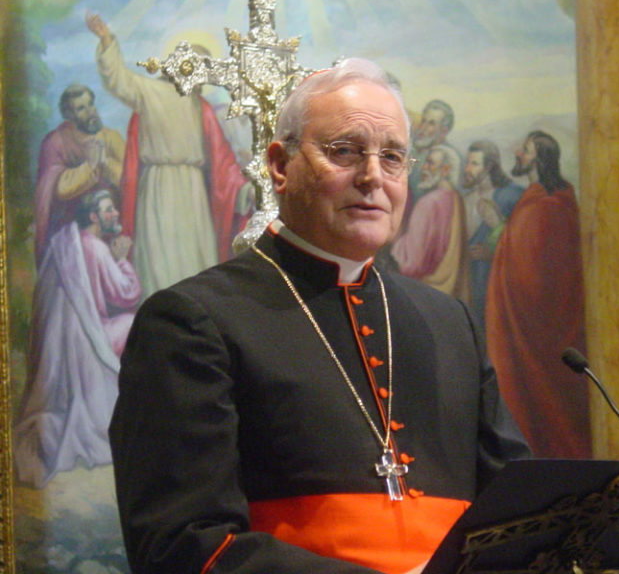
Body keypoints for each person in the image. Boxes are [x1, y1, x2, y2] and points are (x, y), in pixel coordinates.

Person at [110, 58, 531, 574]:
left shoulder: (450, 324)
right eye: (345, 152)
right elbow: (183, 546)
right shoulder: (192, 322)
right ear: (281, 166)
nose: (373, 176)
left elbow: (520, 514)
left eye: (393, 156)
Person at [86, 12, 255, 298]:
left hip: (193, 196)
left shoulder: (200, 108)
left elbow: (223, 163)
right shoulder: (150, 91)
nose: (200, 74)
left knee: (194, 263)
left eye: (204, 68)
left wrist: (248, 190)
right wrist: (106, 41)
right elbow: (118, 80)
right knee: (159, 264)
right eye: (195, 66)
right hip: (158, 190)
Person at [15, 189, 141, 488]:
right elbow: (126, 293)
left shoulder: (63, 243)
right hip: (90, 337)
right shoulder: (96, 248)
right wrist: (121, 259)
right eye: (109, 210)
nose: (115, 215)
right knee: (136, 324)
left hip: (62, 343)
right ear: (94, 216)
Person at [485, 130, 591, 459]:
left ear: (539, 158)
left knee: (545, 406)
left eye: (526, 149)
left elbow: (534, 272)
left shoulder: (548, 206)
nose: (518, 152)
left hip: (539, 329)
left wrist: (498, 228)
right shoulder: (536, 199)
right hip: (530, 323)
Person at [34, 83, 125, 266]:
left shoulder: (111, 137)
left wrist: (105, 163)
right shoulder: (56, 141)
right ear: (69, 115)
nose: (90, 111)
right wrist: (89, 167)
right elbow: (57, 188)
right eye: (81, 108)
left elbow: (128, 179)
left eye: (90, 104)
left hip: (109, 226)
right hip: (71, 230)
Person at [391, 144, 469, 300]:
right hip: (449, 293)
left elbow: (411, 264)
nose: (423, 168)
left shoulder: (428, 203)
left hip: (424, 293)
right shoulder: (456, 199)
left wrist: (393, 243)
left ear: (445, 170)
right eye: (425, 162)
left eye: (430, 163)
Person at [462, 140, 524, 328]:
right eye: (467, 162)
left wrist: (493, 254)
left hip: (500, 290)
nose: (467, 169)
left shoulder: (511, 197)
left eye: (474, 164)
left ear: (489, 167)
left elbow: (525, 248)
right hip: (471, 287)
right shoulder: (464, 200)